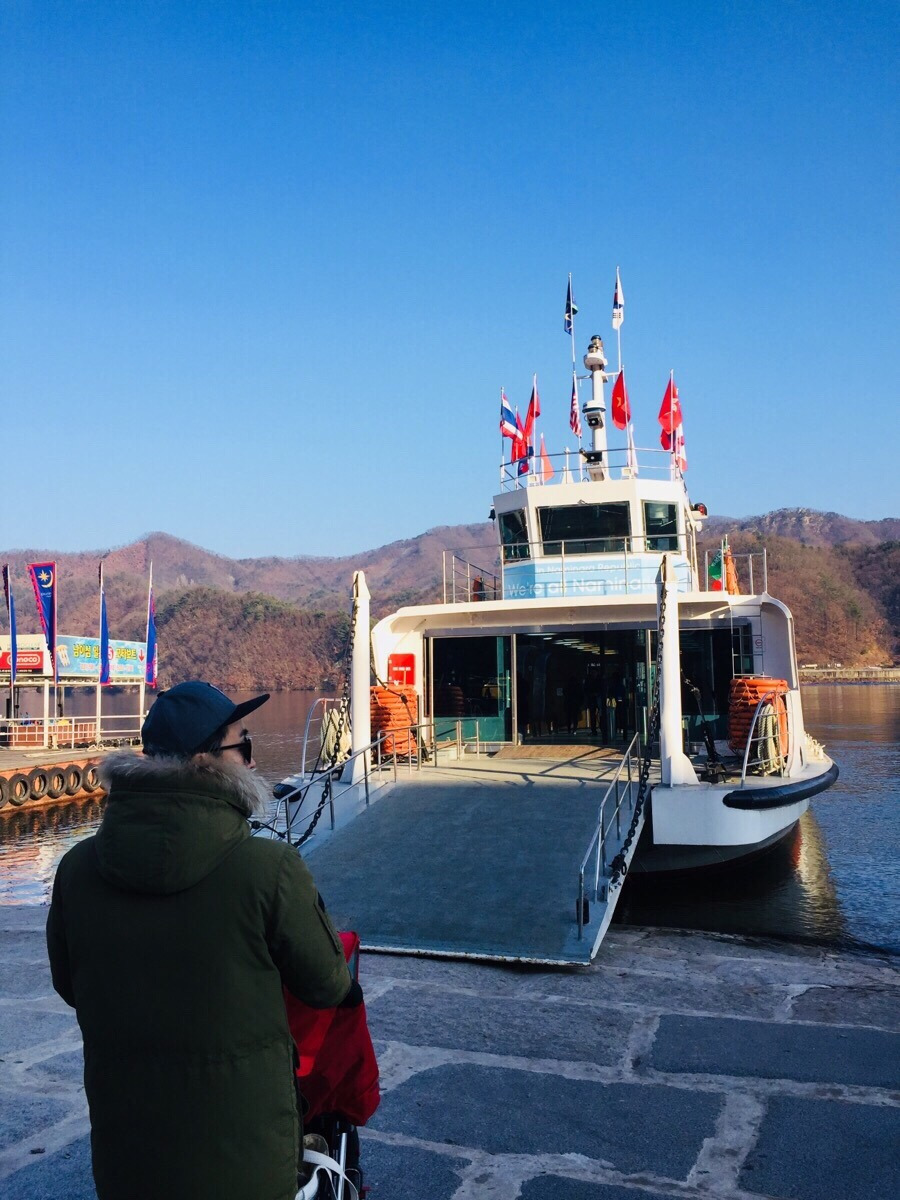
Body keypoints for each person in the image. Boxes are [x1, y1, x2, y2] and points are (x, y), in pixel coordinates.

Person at [46, 681, 355, 1200]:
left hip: (128, 1161)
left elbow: (69, 985)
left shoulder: (76, 869)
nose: (253, 761)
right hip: (245, 1162)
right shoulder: (268, 869)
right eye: (244, 745)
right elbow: (328, 985)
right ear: (204, 761)